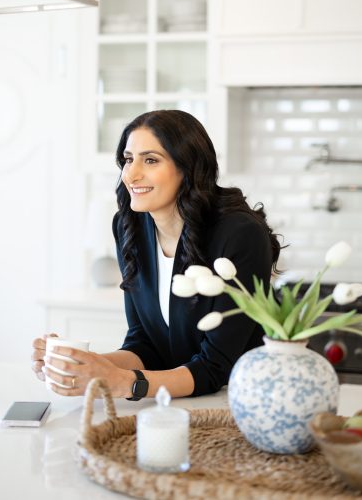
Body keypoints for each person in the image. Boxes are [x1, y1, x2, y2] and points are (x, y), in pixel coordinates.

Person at [31, 109, 281, 399]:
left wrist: (121, 382)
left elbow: (215, 368)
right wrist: (80, 367)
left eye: (150, 160)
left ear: (188, 166)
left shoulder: (239, 234)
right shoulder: (130, 227)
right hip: (177, 403)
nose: (131, 174)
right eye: (128, 159)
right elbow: (145, 344)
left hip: (245, 402)